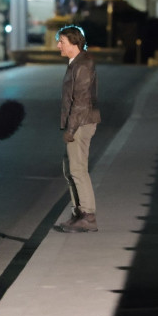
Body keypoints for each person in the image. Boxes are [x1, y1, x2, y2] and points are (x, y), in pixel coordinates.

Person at [56, 25, 101, 233]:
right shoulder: (76, 63)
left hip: (81, 123)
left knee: (78, 169)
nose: (58, 45)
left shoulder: (83, 65)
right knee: (70, 169)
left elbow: (81, 102)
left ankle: (88, 215)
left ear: (74, 43)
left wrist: (70, 129)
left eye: (62, 42)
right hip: (77, 122)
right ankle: (78, 213)